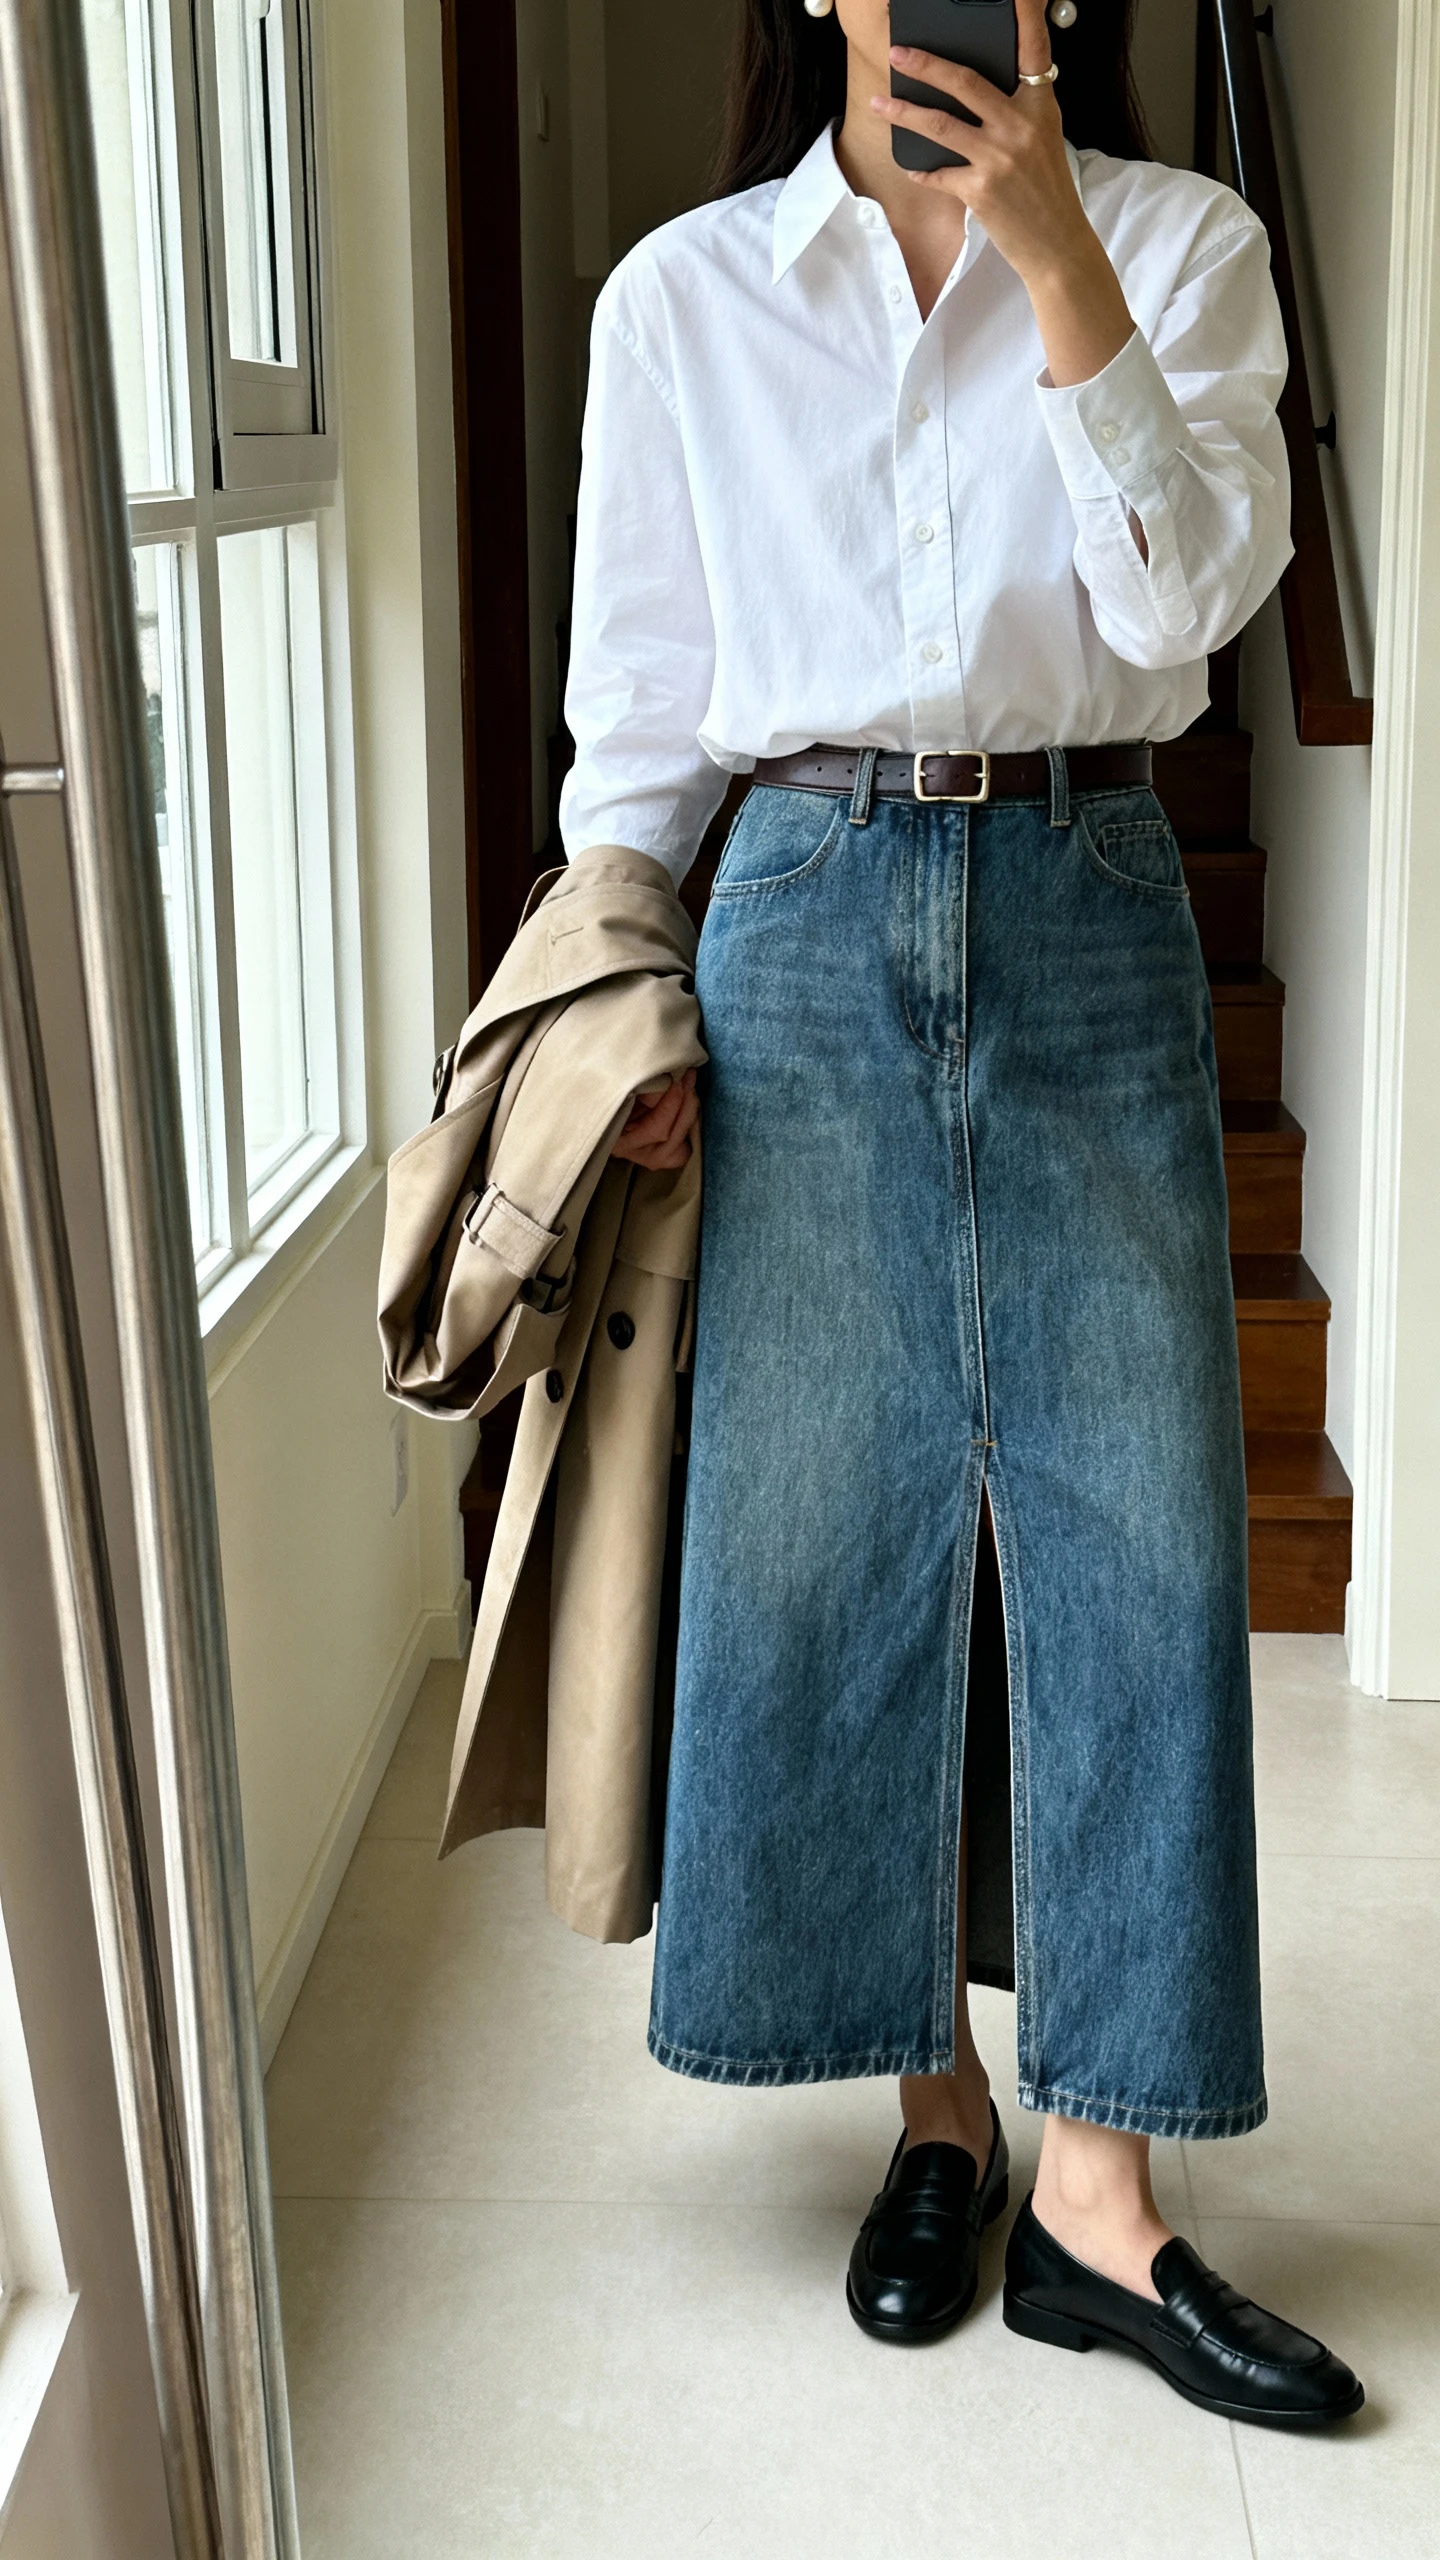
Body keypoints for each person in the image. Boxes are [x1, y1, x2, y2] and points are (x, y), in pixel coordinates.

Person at [560, 0, 1362, 2424]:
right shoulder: (686, 295)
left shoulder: (1185, 243)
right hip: (792, 905)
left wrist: (1058, 277)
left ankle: (1103, 2195)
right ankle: (938, 2110)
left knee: (1134, 1522)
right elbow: (645, 708)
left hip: (1094, 889)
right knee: (841, 1514)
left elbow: (1187, 607)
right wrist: (625, 998)